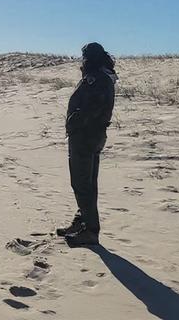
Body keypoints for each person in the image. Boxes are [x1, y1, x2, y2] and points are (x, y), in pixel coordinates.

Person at [57, 42, 117, 246]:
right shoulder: (102, 76)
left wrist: (75, 122)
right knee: (87, 182)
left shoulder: (97, 78)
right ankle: (82, 221)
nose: (82, 61)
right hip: (92, 135)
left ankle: (90, 230)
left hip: (85, 136)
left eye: (84, 57)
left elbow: (93, 108)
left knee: (82, 183)